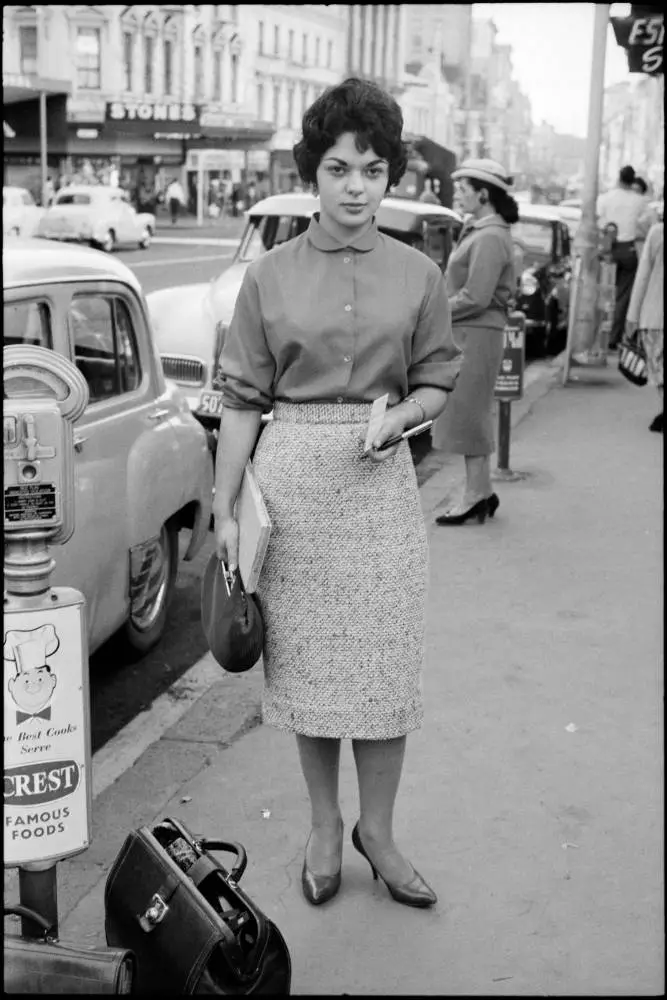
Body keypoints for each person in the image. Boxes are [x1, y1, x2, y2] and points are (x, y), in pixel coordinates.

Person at [213, 77, 461, 910]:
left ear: (393, 175)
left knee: (384, 670)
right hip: (292, 489)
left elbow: (436, 382)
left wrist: (405, 420)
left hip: (380, 481)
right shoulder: (269, 276)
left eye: (371, 168)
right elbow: (242, 401)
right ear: (311, 174)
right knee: (310, 673)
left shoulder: (420, 273)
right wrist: (222, 511)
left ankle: (377, 833)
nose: (355, 185)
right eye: (336, 167)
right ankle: (324, 827)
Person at [432, 158, 519, 526]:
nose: (459, 196)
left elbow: (476, 296)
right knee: (471, 413)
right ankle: (481, 491)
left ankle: (473, 496)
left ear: (484, 194)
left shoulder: (489, 237)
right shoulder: (484, 231)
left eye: (465, 190)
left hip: (477, 333)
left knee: (469, 414)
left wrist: (434, 313)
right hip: (475, 332)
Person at [596, 165, 646, 349]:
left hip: (608, 249)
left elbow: (598, 220)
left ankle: (597, 337)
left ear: (618, 178)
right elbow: (644, 223)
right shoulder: (639, 201)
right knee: (623, 296)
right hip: (629, 251)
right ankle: (614, 337)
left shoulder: (606, 198)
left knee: (603, 292)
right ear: (633, 181)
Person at [626, 220, 663, 433]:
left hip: (655, 317)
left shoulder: (658, 232)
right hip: (655, 317)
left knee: (659, 370)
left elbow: (643, 276)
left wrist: (633, 317)